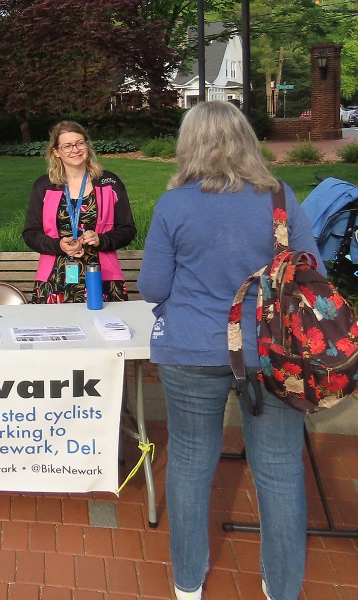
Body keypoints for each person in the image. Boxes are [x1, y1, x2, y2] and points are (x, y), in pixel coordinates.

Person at [137, 101, 318, 600]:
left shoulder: (175, 204)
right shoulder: (278, 197)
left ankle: (187, 583)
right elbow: (310, 275)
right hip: (274, 349)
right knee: (280, 469)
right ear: (246, 140)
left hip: (193, 346)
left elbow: (152, 286)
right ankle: (282, 588)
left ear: (188, 143)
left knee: (192, 464)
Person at [22, 121, 136, 303]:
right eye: (67, 146)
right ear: (56, 152)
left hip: (103, 277)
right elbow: (30, 233)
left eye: (80, 143)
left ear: (87, 145)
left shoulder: (109, 182)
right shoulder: (44, 186)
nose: (75, 149)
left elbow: (128, 229)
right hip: (54, 279)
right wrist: (59, 245)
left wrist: (102, 239)